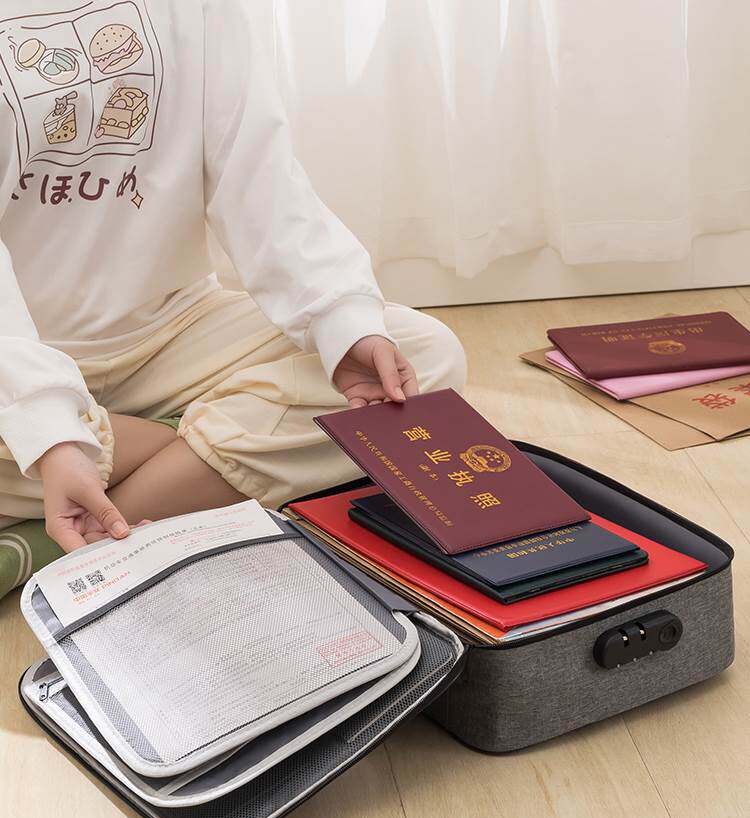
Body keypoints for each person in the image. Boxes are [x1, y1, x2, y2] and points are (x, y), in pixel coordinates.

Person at [0, 0, 466, 580]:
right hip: (14, 364)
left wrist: (342, 323)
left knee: (422, 356)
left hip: (174, 335)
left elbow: (260, 177)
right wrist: (47, 428)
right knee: (43, 430)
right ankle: (189, 452)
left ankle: (66, 538)